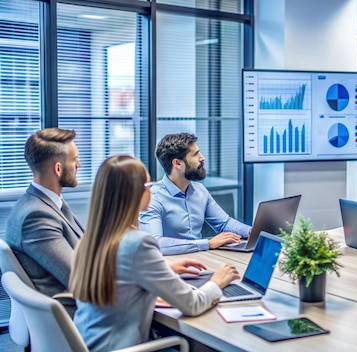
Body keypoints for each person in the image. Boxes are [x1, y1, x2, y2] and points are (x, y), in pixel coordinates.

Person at [69, 155, 240, 352]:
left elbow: (119, 272)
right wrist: (217, 281)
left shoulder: (90, 240)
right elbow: (192, 304)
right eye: (147, 185)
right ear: (135, 193)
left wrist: (164, 268)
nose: (151, 191)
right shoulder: (138, 244)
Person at [2, 128, 83, 298]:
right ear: (58, 169)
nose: (79, 164)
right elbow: (80, 280)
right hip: (77, 314)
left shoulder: (48, 204)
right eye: (75, 159)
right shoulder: (36, 216)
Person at [139, 133, 251, 255]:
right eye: (195, 154)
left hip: (201, 258)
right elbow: (155, 244)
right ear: (177, 163)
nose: (202, 158)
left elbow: (224, 223)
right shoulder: (153, 198)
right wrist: (207, 244)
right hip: (171, 264)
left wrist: (251, 232)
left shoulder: (200, 190)